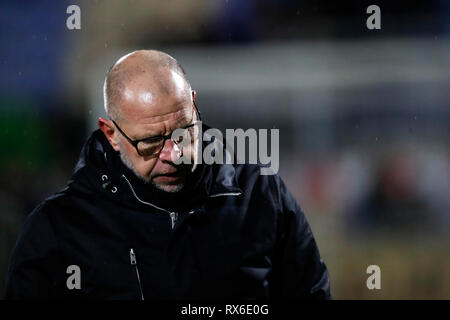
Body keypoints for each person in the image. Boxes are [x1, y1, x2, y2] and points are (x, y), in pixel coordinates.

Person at [5, 50, 331, 300]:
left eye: (183, 132)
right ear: (111, 134)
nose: (174, 155)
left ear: (194, 106)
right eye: (149, 143)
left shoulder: (260, 194)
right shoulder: (58, 228)